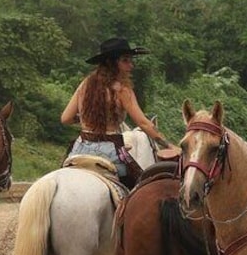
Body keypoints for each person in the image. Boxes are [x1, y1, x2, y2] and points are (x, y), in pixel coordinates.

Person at [60, 37, 170, 188]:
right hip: (111, 150)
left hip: (81, 148)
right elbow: (144, 123)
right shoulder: (123, 90)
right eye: (125, 60)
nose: (131, 65)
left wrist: (87, 117)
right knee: (139, 189)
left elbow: (66, 118)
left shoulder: (85, 84)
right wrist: (168, 145)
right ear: (111, 62)